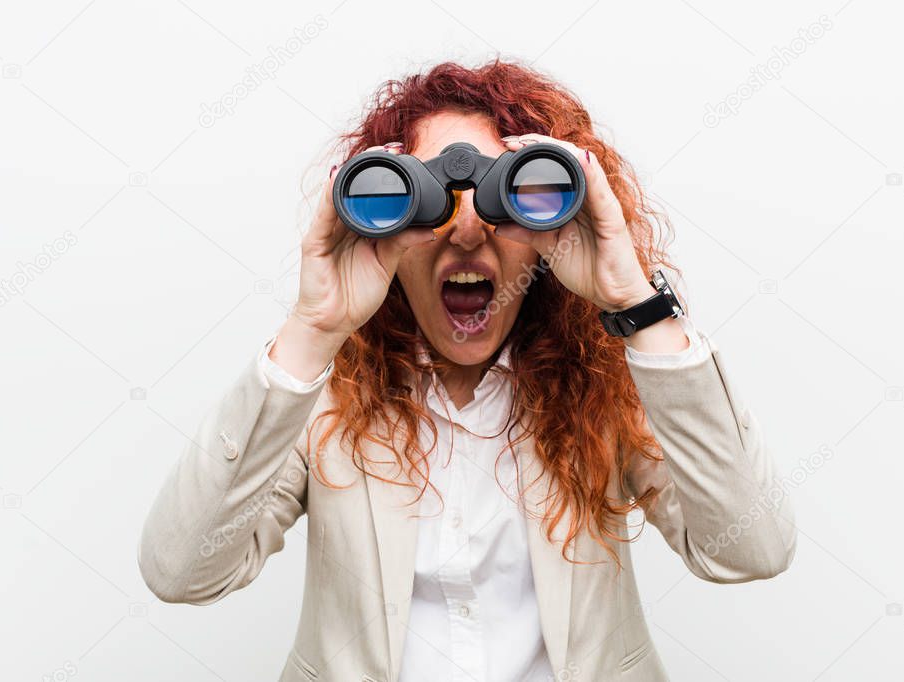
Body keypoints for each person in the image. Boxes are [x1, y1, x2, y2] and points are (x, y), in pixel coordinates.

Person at [138, 60, 795, 682]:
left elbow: (751, 549)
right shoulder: (316, 394)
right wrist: (313, 329)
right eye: (427, 198)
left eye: (510, 192)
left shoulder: (610, 386)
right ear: (380, 214)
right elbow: (183, 573)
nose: (466, 231)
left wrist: (637, 305)